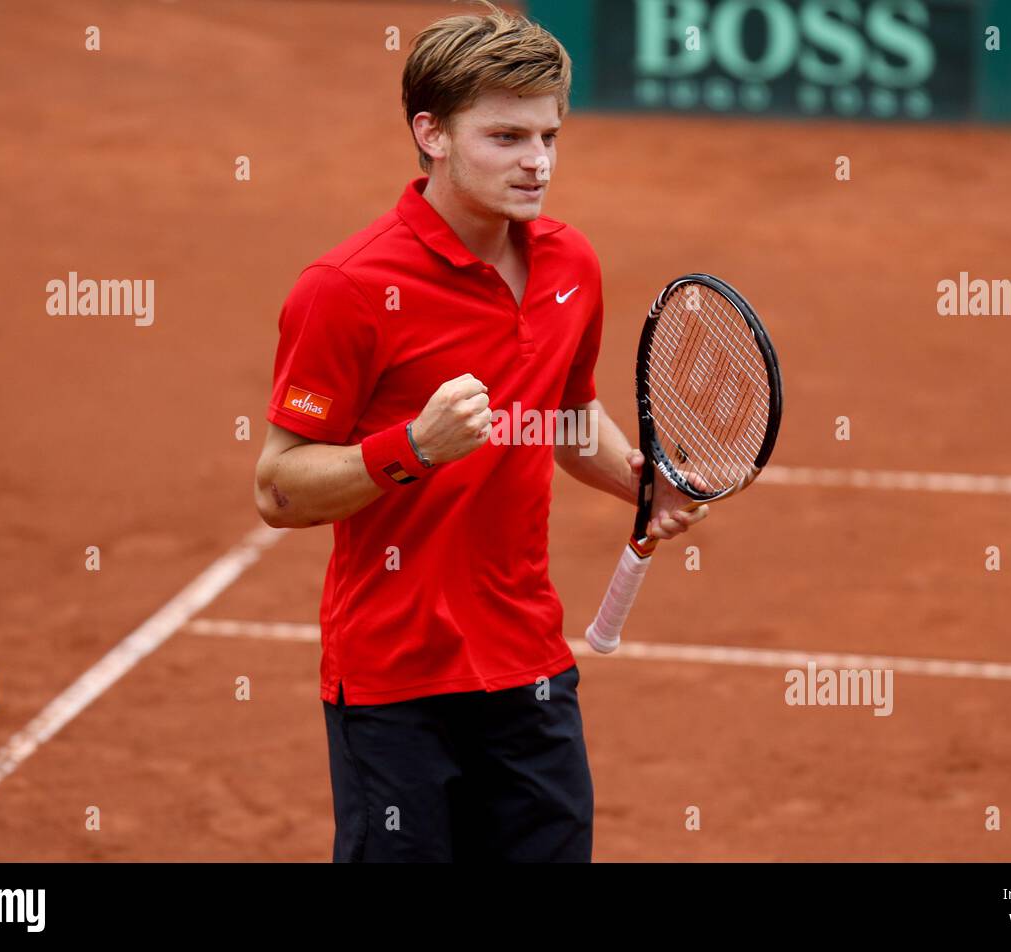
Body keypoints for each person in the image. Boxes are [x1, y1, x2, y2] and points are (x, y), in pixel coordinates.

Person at [253, 0, 707, 862]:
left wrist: (644, 480)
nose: (537, 163)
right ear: (431, 133)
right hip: (396, 683)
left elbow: (570, 418)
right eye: (506, 138)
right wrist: (413, 449)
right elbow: (276, 488)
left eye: (549, 137)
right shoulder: (345, 289)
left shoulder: (571, 263)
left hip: (529, 667)